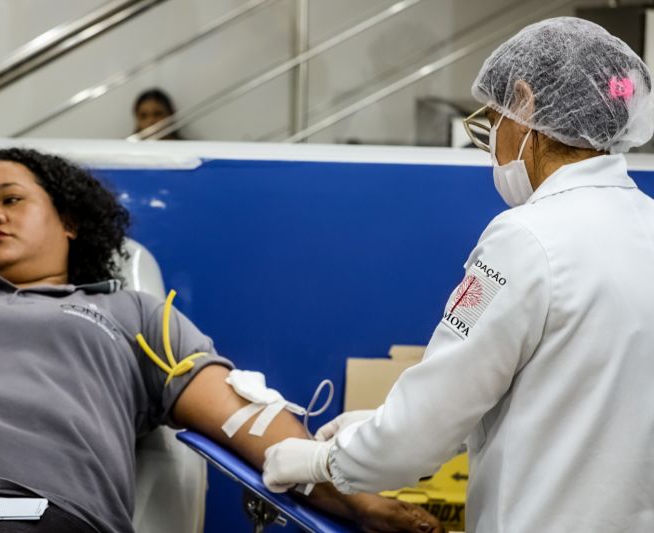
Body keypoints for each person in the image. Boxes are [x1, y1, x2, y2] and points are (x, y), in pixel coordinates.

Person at [0, 148, 443, 533]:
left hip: (35, 512)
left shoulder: (133, 313)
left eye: (11, 200)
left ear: (69, 222)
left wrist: (356, 498)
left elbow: (247, 421)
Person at [262, 16, 654, 533]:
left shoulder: (524, 240)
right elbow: (578, 407)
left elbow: (420, 432)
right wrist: (383, 430)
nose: (492, 142)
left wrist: (322, 462)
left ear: (525, 102)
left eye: (493, 120)